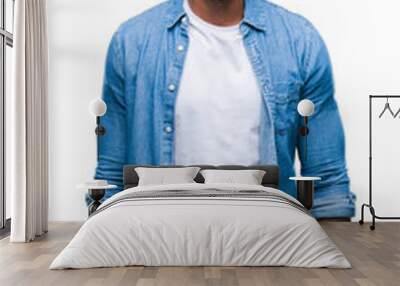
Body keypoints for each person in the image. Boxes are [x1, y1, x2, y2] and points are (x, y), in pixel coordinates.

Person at [94, 0, 355, 219]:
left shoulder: (299, 40)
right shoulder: (132, 41)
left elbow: (327, 182)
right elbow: (110, 176)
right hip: (160, 230)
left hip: (268, 233)